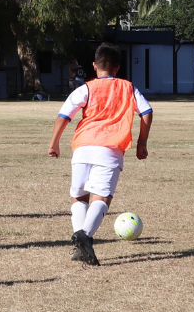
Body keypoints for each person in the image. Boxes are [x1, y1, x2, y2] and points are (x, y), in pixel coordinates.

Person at [48, 42, 153, 266]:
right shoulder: (128, 88)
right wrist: (142, 142)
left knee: (79, 197)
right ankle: (84, 236)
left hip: (83, 147)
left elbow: (64, 115)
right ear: (117, 68)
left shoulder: (86, 88)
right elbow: (146, 111)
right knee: (102, 198)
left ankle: (80, 244)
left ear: (94, 66)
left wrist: (54, 143)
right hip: (110, 149)